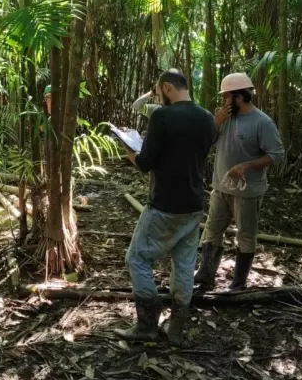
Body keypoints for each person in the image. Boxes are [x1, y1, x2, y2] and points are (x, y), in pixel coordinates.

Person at [116, 70, 216, 344]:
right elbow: (196, 155)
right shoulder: (207, 117)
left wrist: (130, 152)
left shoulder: (162, 116)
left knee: (136, 258)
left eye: (160, 92)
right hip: (194, 205)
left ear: (168, 88)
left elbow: (146, 163)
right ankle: (176, 328)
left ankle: (147, 324)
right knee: (184, 265)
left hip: (164, 204)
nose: (159, 98)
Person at [194, 72, 285, 291]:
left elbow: (277, 154)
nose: (224, 101)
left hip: (247, 192)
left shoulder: (262, 122)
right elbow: (206, 143)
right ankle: (205, 276)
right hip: (220, 187)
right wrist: (215, 122)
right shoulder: (224, 118)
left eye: (227, 97)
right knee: (212, 231)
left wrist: (247, 165)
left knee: (245, 235)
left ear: (240, 97)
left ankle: (238, 283)